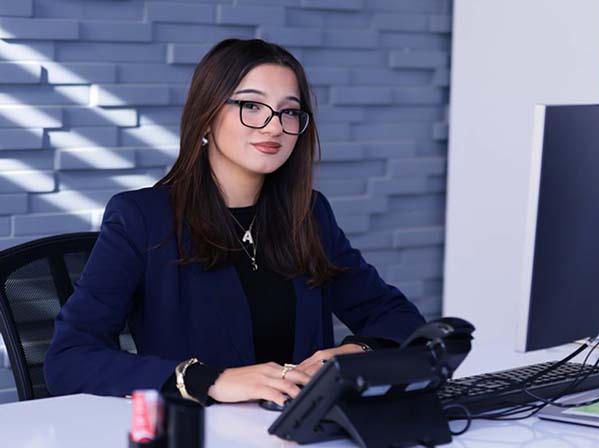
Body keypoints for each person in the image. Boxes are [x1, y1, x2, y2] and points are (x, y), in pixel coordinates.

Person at [44, 38, 426, 407]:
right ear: (206, 117)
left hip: (297, 428)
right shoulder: (142, 218)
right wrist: (212, 380)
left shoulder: (308, 214)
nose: (274, 126)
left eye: (289, 111)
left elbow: (400, 318)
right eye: (252, 106)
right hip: (199, 430)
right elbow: (69, 359)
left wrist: (352, 352)